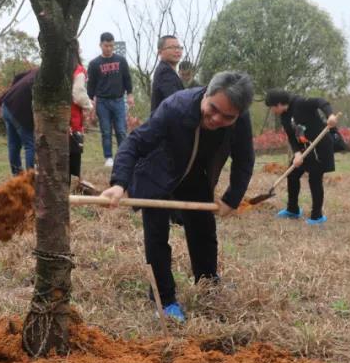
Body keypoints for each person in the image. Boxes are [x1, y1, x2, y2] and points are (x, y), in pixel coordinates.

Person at [101, 71, 256, 323]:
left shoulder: (240, 118)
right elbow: (135, 142)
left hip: (195, 176)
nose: (216, 119)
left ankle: (208, 284)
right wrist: (119, 184)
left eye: (227, 117)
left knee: (204, 231)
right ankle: (164, 300)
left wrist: (231, 198)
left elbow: (244, 159)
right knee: (157, 238)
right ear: (206, 93)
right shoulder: (176, 107)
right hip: (157, 173)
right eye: (213, 109)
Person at [265, 89, 338, 224]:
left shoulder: (300, 103)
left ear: (279, 104)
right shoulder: (284, 116)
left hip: (319, 148)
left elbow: (320, 102)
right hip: (304, 148)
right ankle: (293, 210)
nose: (272, 111)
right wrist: (297, 153)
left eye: (272, 107)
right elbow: (292, 137)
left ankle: (317, 216)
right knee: (292, 175)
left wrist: (330, 115)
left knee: (314, 179)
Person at [86, 32, 134, 168]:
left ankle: (123, 156)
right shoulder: (94, 64)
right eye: (106, 46)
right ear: (101, 45)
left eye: (111, 46)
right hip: (102, 102)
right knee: (106, 131)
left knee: (121, 130)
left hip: (119, 100)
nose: (109, 48)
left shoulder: (121, 61)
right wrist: (90, 100)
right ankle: (108, 157)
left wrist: (130, 94)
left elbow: (127, 78)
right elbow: (91, 84)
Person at [0, 65, 38, 175]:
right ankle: (30, 179)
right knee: (30, 144)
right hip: (18, 110)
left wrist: (14, 93)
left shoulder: (35, 70)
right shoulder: (46, 77)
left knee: (14, 145)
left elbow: (17, 77)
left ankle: (17, 177)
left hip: (7, 103)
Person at [70, 45, 93, 180]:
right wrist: (88, 105)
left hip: (57, 116)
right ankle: (74, 179)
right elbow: (78, 94)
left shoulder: (57, 69)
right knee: (74, 148)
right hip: (72, 116)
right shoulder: (78, 71)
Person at [150, 35, 185, 113]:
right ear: (160, 52)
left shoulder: (168, 70)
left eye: (179, 47)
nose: (177, 51)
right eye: (172, 47)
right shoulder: (165, 72)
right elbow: (175, 101)